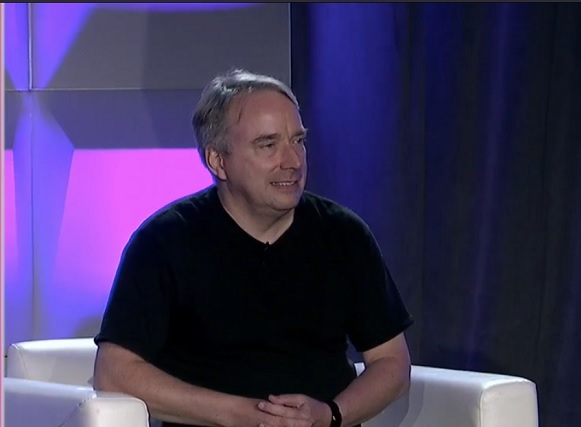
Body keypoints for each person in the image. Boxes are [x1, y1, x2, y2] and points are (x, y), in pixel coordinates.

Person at [92, 68, 414, 427]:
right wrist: (245, 416)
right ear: (218, 161)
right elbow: (114, 373)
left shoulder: (344, 235)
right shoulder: (164, 242)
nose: (293, 161)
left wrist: (331, 415)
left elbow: (391, 362)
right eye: (268, 145)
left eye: (298, 141)